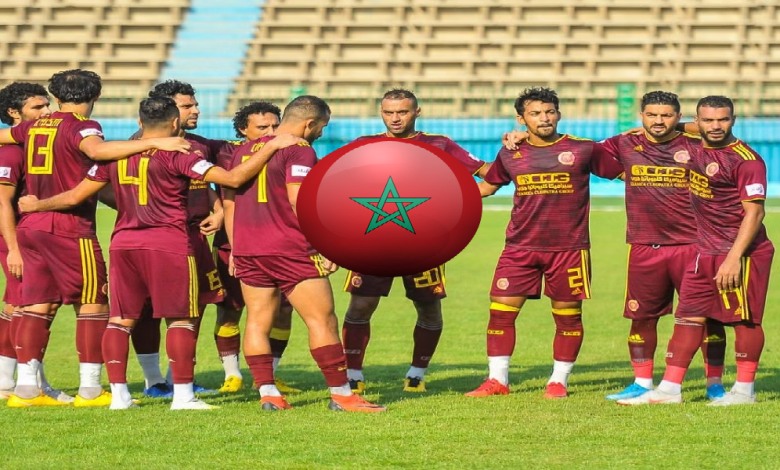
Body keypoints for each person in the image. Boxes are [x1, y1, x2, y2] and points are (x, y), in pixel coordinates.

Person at [18, 96, 298, 410]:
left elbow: (74, 196)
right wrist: (272, 146)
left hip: (123, 244)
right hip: (169, 244)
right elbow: (233, 178)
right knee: (181, 320)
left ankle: (119, 397)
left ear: (140, 123)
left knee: (120, 320)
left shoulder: (115, 157)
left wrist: (37, 205)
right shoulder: (180, 153)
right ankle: (183, 396)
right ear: (175, 122)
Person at [0, 69, 190, 408]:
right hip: (69, 226)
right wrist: (152, 141)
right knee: (94, 303)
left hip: (31, 225)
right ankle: (89, 389)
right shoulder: (83, 126)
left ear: (56, 96)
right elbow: (98, 151)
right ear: (96, 96)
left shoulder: (33, 127)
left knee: (36, 305)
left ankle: (27, 389)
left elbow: (6, 137)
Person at [224, 95, 385, 412]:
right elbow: (299, 199)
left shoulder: (243, 151)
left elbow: (229, 203)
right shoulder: (300, 149)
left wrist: (235, 248)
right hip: (290, 249)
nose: (321, 133)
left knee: (257, 321)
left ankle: (268, 394)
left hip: (249, 249)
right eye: (322, 127)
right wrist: (326, 244)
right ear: (310, 123)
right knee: (322, 320)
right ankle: (342, 395)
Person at [466, 87, 623, 399]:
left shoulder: (583, 149)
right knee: (500, 312)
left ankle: (558, 381)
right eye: (535, 113)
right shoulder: (510, 152)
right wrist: (441, 196)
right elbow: (487, 186)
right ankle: (497, 380)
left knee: (567, 316)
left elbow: (626, 175)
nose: (544, 118)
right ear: (521, 119)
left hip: (569, 249)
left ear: (559, 114)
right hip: (519, 248)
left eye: (550, 112)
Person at [618, 96, 773, 406]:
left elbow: (755, 213)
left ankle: (744, 392)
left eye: (723, 119)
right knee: (688, 316)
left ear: (733, 120)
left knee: (743, 320)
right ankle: (669, 390)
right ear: (697, 121)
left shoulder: (746, 160)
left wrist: (733, 259)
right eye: (708, 120)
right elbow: (679, 128)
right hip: (704, 249)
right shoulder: (696, 143)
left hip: (740, 252)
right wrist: (657, 127)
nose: (716, 126)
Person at [342, 88, 490, 394]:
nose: (395, 118)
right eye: (389, 112)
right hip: (372, 242)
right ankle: (353, 374)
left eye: (403, 112)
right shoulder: (363, 145)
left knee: (428, 307)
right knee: (361, 306)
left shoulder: (439, 144)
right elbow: (331, 184)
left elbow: (490, 175)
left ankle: (416, 374)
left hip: (425, 244)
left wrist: (456, 199)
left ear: (417, 112)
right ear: (381, 112)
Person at [128, 80, 228, 398]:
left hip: (194, 238)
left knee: (193, 306)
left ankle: (178, 378)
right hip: (158, 237)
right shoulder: (136, 145)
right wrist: (141, 212)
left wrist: (219, 209)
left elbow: (206, 182)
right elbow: (106, 188)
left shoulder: (199, 145)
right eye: (187, 106)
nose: (196, 110)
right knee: (147, 310)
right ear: (169, 112)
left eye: (194, 104)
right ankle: (153, 380)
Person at [212, 101, 300, 394]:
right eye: (262, 127)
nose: (271, 132)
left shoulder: (289, 149)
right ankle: (232, 374)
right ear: (242, 129)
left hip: (278, 243)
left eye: (275, 125)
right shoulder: (226, 152)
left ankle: (269, 374)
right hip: (235, 243)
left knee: (283, 310)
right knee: (231, 308)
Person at [0, 82, 71, 403]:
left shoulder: (33, 142)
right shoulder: (12, 151)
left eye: (47, 105)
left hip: (27, 235)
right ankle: (30, 385)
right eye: (37, 107)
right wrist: (14, 249)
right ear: (14, 113)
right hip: (14, 237)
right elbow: (2, 202)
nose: (46, 112)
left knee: (17, 305)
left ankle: (6, 381)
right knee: (33, 304)